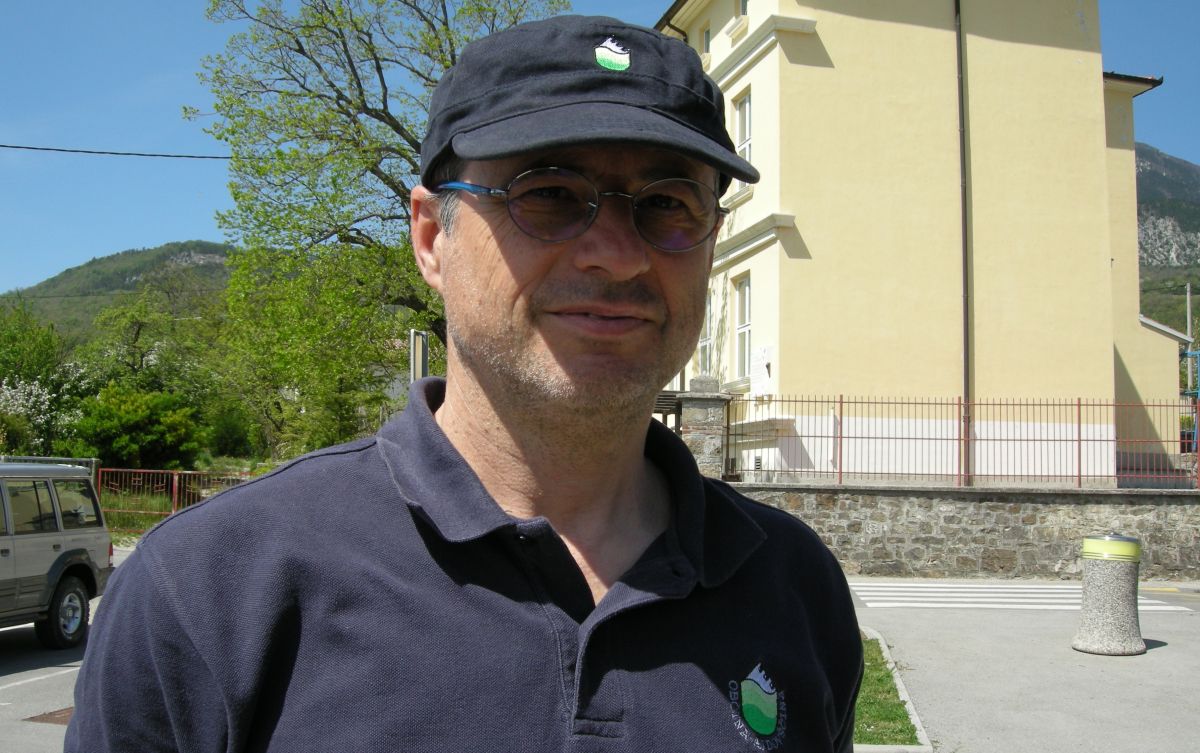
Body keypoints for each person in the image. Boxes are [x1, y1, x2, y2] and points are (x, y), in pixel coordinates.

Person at [66, 15, 862, 753]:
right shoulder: (211, 588)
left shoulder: (796, 588)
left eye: (667, 204)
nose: (618, 253)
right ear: (429, 239)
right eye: (550, 195)